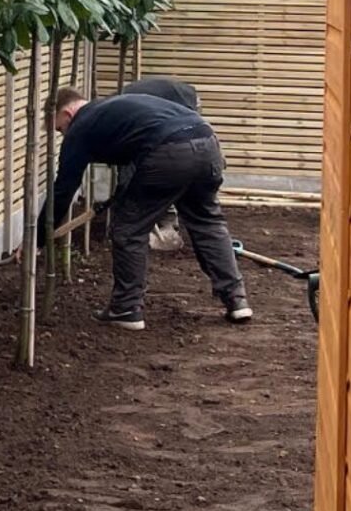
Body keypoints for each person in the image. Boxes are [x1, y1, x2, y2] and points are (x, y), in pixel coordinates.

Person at [37, 86, 250, 329]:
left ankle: (126, 308)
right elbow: (137, 154)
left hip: (169, 150)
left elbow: (64, 188)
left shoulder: (82, 125)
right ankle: (236, 299)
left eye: (59, 129)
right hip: (207, 144)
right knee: (207, 222)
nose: (64, 134)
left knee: (129, 230)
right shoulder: (116, 110)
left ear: (67, 113)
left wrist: (37, 238)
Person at [113, 77, 199, 249]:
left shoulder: (117, 115)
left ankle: (171, 223)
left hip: (181, 104)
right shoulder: (117, 109)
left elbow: (129, 164)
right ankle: (170, 221)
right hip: (180, 102)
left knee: (170, 173)